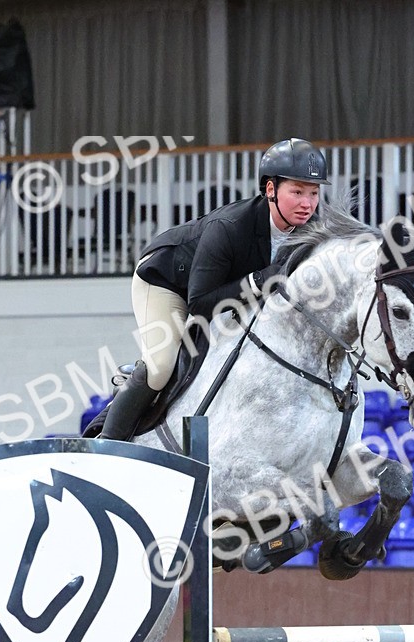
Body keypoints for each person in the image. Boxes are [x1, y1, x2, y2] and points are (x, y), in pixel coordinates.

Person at [99, 137, 328, 440]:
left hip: (224, 289)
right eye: (297, 192)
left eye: (313, 193)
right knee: (161, 366)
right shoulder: (231, 226)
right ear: (270, 190)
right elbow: (201, 304)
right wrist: (259, 280)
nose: (307, 203)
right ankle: (107, 443)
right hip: (168, 283)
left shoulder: (313, 230)